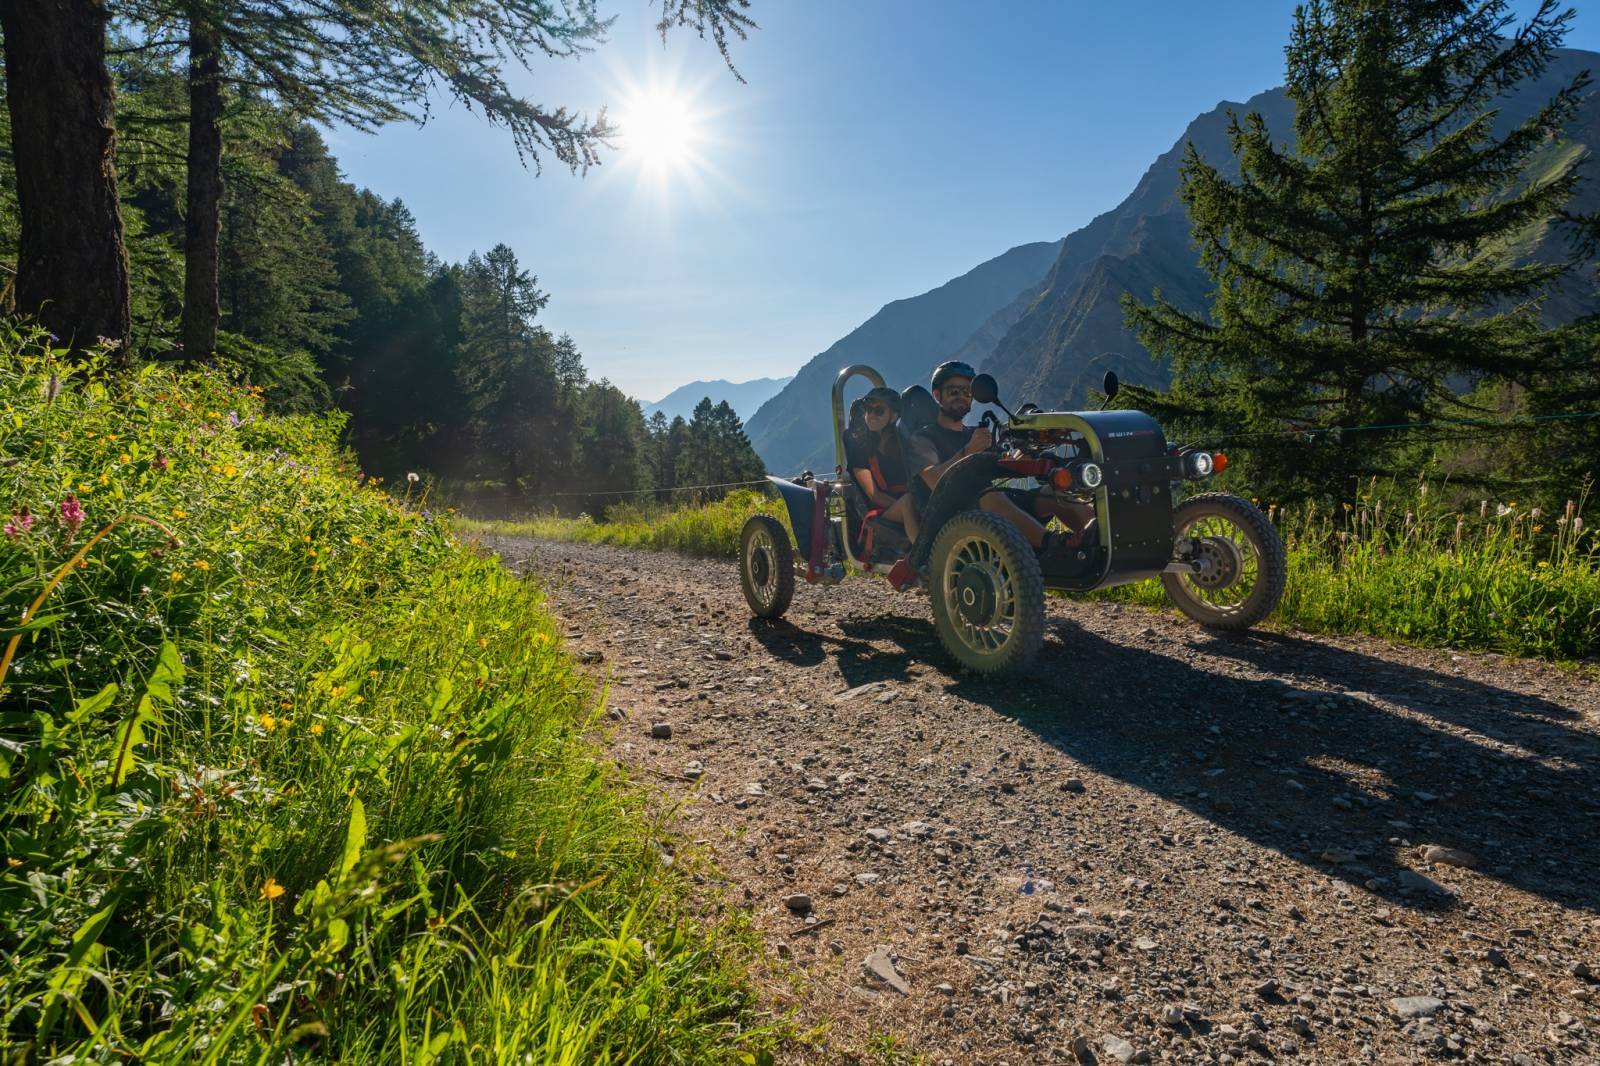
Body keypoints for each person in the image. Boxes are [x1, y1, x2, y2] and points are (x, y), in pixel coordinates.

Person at [907, 360, 1095, 551]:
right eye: (953, 391)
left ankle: (1099, 536)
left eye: (967, 393)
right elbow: (934, 481)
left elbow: (1001, 465)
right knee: (990, 496)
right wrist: (969, 450)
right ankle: (1055, 544)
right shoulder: (923, 438)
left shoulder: (978, 434)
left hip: (994, 509)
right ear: (937, 395)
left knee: (1053, 492)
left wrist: (1025, 457)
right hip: (953, 516)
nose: (961, 397)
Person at [849, 386, 920, 543]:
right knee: (909, 502)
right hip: (886, 509)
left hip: (913, 500)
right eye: (868, 409)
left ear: (893, 417)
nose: (871, 415)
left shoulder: (905, 443)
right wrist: (912, 509)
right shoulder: (861, 452)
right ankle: (924, 558)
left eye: (879, 411)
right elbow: (875, 495)